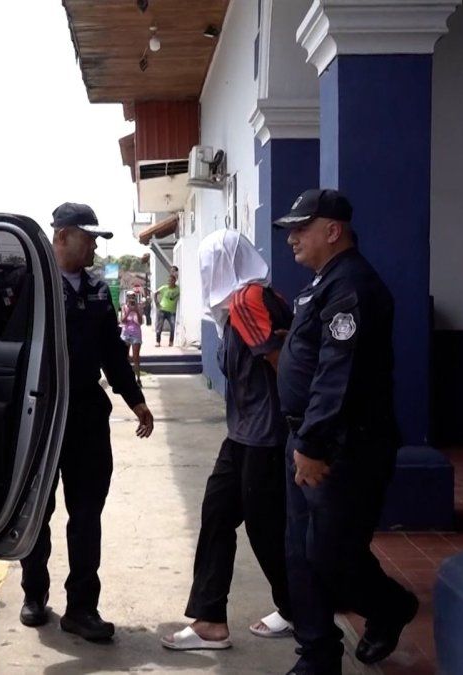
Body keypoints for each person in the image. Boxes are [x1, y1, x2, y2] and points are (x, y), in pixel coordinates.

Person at [273, 189, 418, 675]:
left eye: (301, 228)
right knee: (298, 553)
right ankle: (317, 656)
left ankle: (390, 606)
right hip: (307, 441)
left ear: (332, 230)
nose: (292, 237)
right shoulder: (322, 283)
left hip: (342, 446)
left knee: (331, 555)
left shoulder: (350, 285)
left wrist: (313, 443)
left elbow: (341, 371)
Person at [19, 202, 156, 642]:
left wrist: (134, 399)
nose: (95, 244)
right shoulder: (33, 285)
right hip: (41, 414)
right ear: (61, 237)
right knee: (38, 511)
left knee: (87, 515)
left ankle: (82, 607)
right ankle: (34, 594)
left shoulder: (97, 288)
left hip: (86, 417)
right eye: (88, 236)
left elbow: (113, 353)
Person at [161, 230, 294, 652]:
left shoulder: (250, 301)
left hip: (265, 438)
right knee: (218, 513)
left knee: (266, 529)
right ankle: (210, 621)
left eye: (209, 265)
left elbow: (284, 369)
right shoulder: (236, 307)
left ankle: (301, 609)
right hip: (242, 435)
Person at [120, 291, 144, 386]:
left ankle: (138, 379)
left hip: (136, 334)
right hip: (126, 333)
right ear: (127, 298)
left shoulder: (139, 307)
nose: (131, 299)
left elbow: (141, 322)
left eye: (133, 297)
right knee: (124, 357)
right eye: (129, 297)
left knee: (136, 357)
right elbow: (122, 321)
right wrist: (129, 311)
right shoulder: (124, 307)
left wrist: (136, 311)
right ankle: (126, 378)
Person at [155, 273, 180, 346]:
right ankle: (158, 341)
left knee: (173, 326)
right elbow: (155, 293)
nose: (169, 282)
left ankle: (171, 342)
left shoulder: (178, 289)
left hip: (172, 311)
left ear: (174, 281)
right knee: (159, 326)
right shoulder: (164, 288)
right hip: (162, 310)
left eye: (171, 281)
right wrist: (156, 302)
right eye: (169, 281)